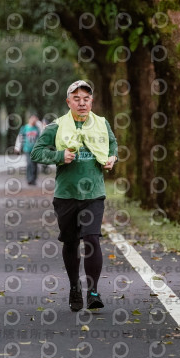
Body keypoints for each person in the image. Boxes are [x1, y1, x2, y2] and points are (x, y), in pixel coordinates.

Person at [31, 80, 118, 311]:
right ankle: (73, 287)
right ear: (68, 101)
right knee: (70, 243)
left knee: (91, 240)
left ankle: (93, 291)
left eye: (86, 98)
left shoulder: (101, 123)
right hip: (66, 195)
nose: (82, 103)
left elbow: (112, 145)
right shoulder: (56, 127)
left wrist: (112, 158)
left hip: (94, 193)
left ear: (92, 101)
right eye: (76, 98)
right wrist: (59, 156)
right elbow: (36, 152)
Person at [14, 114, 40, 185]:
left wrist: (38, 122)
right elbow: (20, 138)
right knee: (29, 163)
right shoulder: (24, 128)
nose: (34, 120)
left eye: (35, 119)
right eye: (32, 119)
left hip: (35, 150)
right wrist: (17, 148)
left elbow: (42, 135)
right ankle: (29, 179)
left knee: (35, 164)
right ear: (29, 119)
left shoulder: (37, 128)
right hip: (27, 149)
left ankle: (34, 179)